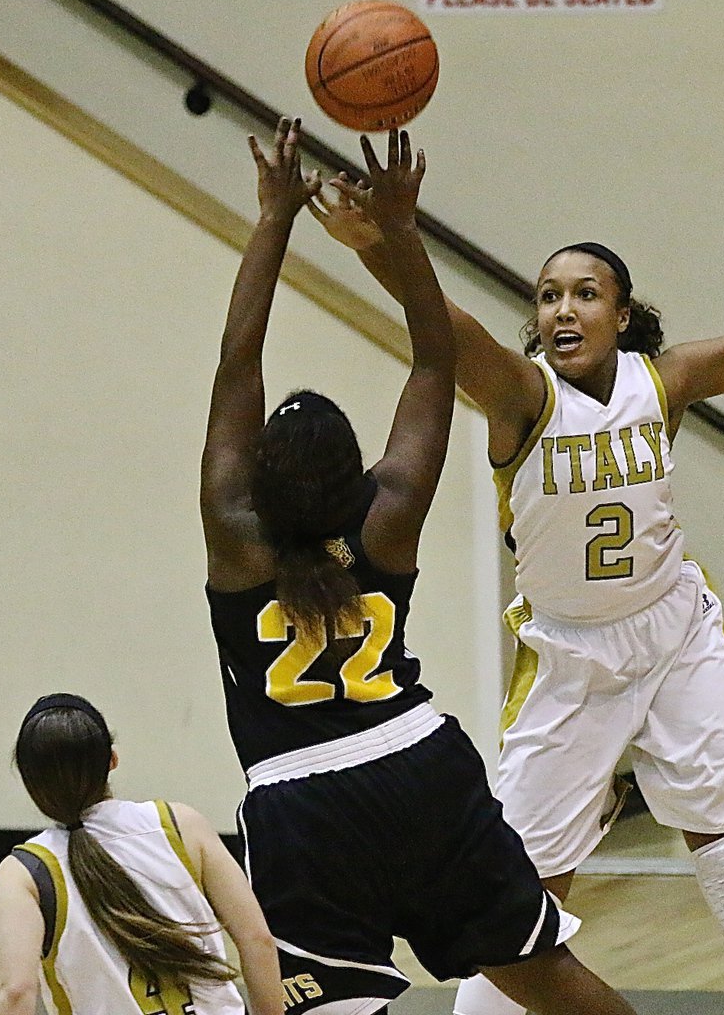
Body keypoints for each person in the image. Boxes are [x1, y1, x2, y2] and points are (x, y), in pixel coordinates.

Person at [318, 112, 724, 1015]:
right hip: (570, 659)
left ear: (621, 313)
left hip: (676, 636)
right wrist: (388, 241)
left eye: (584, 292)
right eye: (547, 295)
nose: (562, 308)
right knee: (519, 908)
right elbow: (441, 332)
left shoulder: (668, 381)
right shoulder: (522, 396)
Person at [200, 116, 640, 1015]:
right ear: (356, 473)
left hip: (303, 806)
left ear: (259, 479)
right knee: (549, 981)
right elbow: (437, 353)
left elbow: (236, 360)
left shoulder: (235, 537)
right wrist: (400, 230)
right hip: (423, 767)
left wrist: (273, 216)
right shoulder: (386, 520)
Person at [0, 692, 281, 1015]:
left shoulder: (24, 872)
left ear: (30, 782)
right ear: (112, 760)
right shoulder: (180, 824)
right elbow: (258, 940)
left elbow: (15, 992)